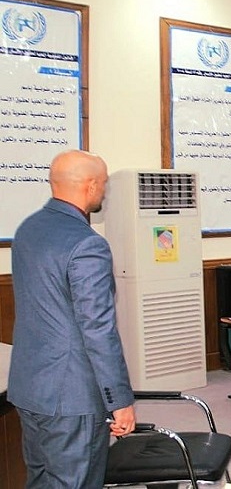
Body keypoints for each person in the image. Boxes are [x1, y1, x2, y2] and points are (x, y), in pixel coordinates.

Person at [8, 150, 136, 488]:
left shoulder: (27, 230)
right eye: (104, 184)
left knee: (41, 479)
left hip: (29, 388)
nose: (104, 192)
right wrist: (120, 400)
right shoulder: (87, 244)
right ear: (91, 185)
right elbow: (98, 330)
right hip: (71, 397)